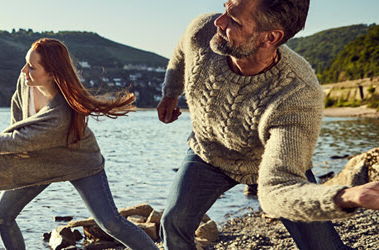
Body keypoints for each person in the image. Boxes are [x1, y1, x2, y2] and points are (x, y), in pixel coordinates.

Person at [157, 0, 379, 249]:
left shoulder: (297, 94)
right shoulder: (204, 30)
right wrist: (170, 93)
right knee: (173, 224)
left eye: (235, 20)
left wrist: (345, 196)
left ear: (270, 37)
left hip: (269, 165)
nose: (219, 22)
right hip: (208, 152)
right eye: (225, 8)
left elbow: (277, 189)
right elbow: (182, 51)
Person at [0, 38, 158, 250]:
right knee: (2, 216)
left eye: (32, 67)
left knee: (110, 223)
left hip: (80, 163)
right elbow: (18, 117)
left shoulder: (59, 115)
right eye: (26, 63)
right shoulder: (26, 81)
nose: (25, 70)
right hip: (40, 161)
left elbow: (17, 140)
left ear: (52, 73)